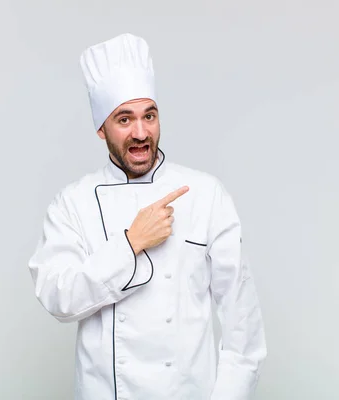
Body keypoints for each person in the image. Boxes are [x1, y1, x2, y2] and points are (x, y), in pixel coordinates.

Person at [28, 32, 267, 400]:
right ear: (100, 128)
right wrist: (129, 244)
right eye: (124, 119)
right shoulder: (73, 203)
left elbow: (243, 325)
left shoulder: (206, 195)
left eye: (149, 116)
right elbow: (60, 298)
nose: (141, 133)